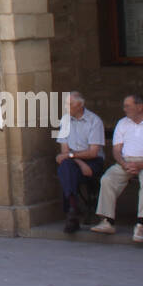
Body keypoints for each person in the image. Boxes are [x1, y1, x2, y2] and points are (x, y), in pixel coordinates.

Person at [92, 93, 143, 242]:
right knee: (108, 179)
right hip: (126, 162)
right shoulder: (122, 123)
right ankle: (108, 221)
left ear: (140, 107)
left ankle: (141, 224)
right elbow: (116, 149)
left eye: (128, 106)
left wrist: (142, 164)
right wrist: (124, 163)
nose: (124, 109)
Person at [55, 91, 105, 232]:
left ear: (80, 105)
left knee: (65, 169)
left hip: (93, 161)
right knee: (66, 167)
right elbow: (64, 151)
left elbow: (93, 152)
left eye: (70, 104)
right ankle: (73, 210)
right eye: (66, 104)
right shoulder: (65, 120)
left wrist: (73, 157)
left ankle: (71, 212)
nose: (66, 107)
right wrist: (78, 161)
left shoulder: (94, 121)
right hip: (75, 161)